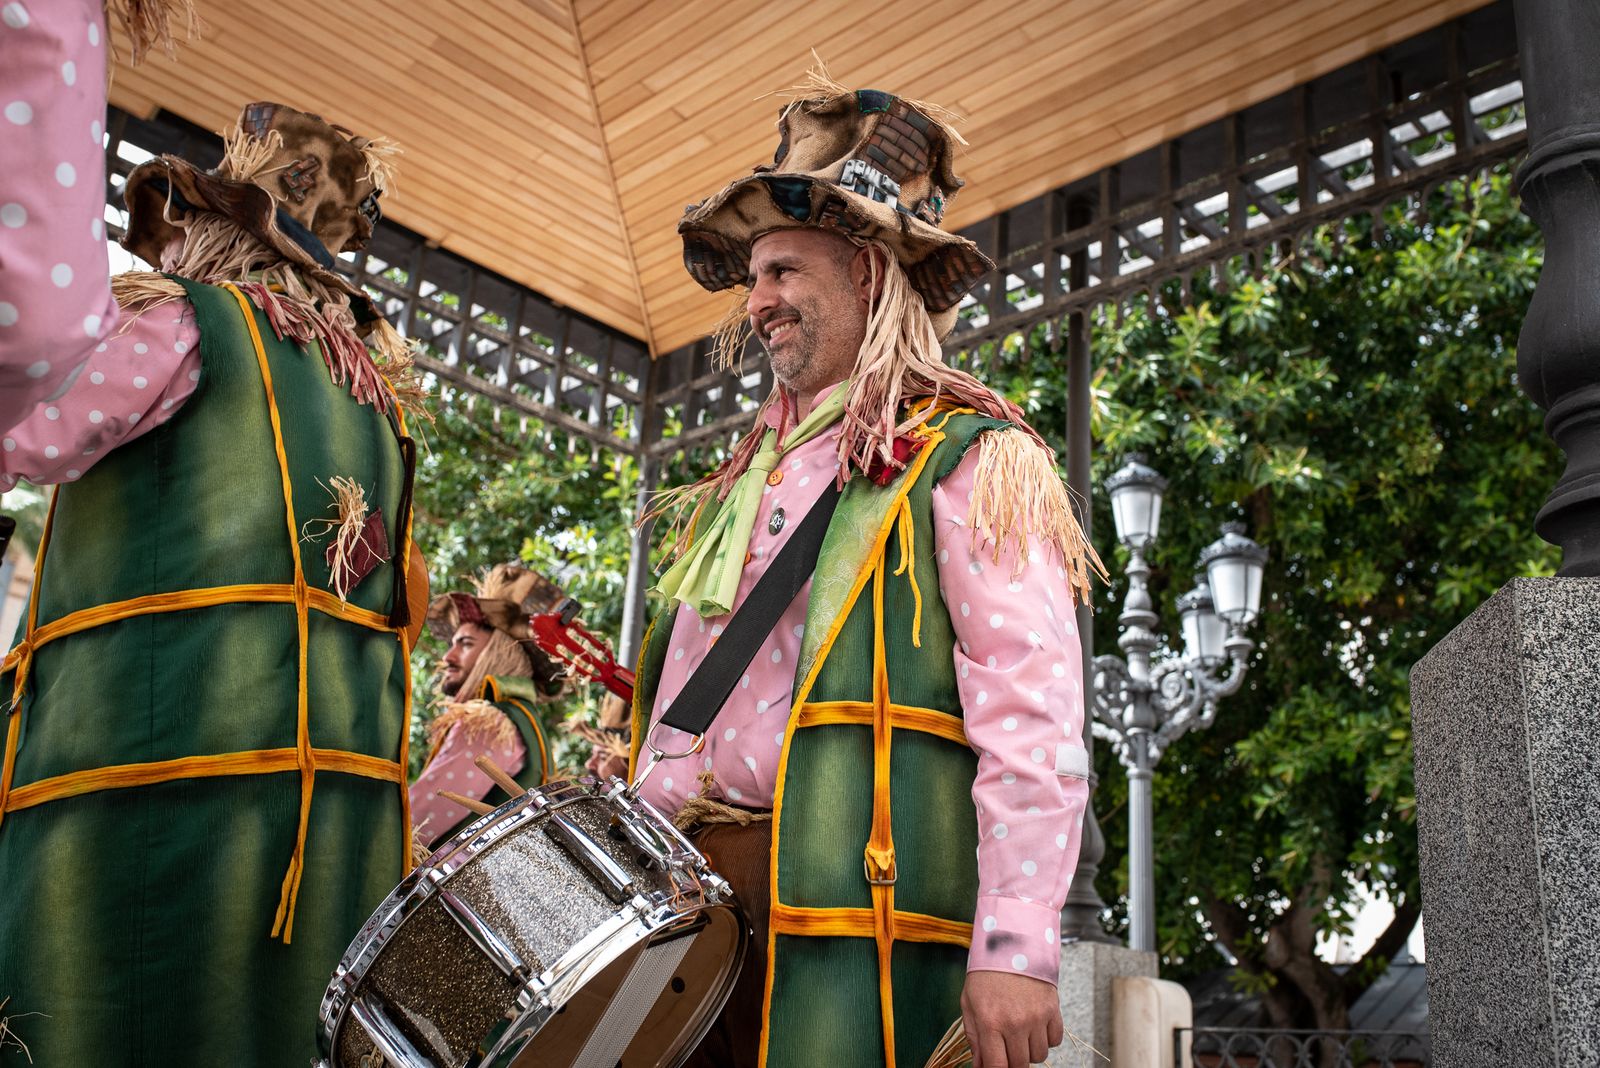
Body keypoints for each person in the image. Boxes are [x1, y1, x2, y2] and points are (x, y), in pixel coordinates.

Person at [631, 76, 1103, 1068]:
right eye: (752, 276)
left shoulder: (971, 457)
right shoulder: (733, 484)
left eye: (783, 272)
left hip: (848, 903)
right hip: (679, 906)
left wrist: (1015, 950)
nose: (755, 304)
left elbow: (1033, 720)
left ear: (870, 278)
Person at [0, 2, 427, 1060]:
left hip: (149, 782)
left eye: (178, 226)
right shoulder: (377, 404)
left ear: (219, 232)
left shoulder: (188, 328)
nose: (166, 245)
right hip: (322, 825)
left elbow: (36, 437)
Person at [409, 563, 565, 849]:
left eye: (465, 644)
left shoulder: (488, 723)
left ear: (501, 651)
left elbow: (415, 823)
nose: (448, 657)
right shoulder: (521, 720)